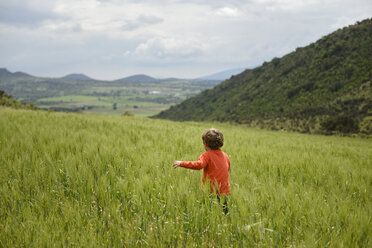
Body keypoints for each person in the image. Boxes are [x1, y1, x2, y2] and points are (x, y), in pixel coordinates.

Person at [173, 128, 231, 214]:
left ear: (205, 144)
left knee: (208, 212)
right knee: (224, 213)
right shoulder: (225, 155)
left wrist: (181, 163)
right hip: (225, 191)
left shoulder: (206, 155)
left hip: (211, 192)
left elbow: (199, 165)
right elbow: (227, 168)